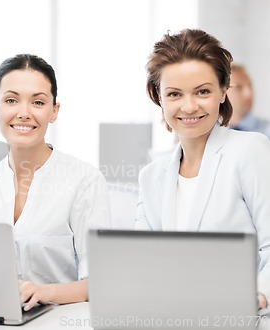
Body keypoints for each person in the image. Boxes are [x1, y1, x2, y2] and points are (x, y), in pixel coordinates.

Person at [136, 28, 270, 309]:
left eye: (203, 91)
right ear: (158, 98)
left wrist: (258, 295)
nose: (189, 106)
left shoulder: (250, 151)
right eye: (174, 94)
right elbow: (144, 261)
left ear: (223, 91)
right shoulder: (151, 177)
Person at [0, 54, 109, 310]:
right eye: (11, 100)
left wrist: (45, 292)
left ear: (54, 111)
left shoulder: (83, 180)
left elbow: (100, 281)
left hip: (59, 320)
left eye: (38, 102)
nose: (24, 113)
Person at [227, 63, 270, 138]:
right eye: (239, 87)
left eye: (250, 85)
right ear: (222, 93)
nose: (248, 93)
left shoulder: (267, 132)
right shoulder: (211, 134)